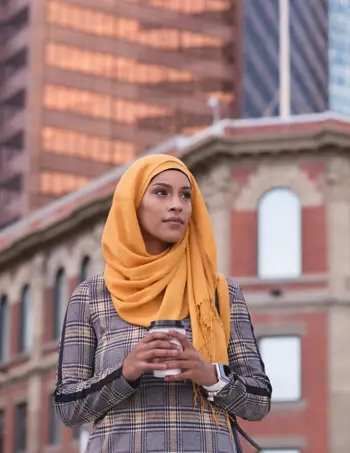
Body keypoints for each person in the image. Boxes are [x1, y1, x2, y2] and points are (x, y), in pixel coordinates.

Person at [54, 154, 272, 452]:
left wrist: (209, 375)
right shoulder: (92, 295)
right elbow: (68, 408)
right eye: (161, 192)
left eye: (186, 195)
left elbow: (258, 402)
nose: (177, 204)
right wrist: (127, 370)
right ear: (132, 204)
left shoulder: (221, 292)